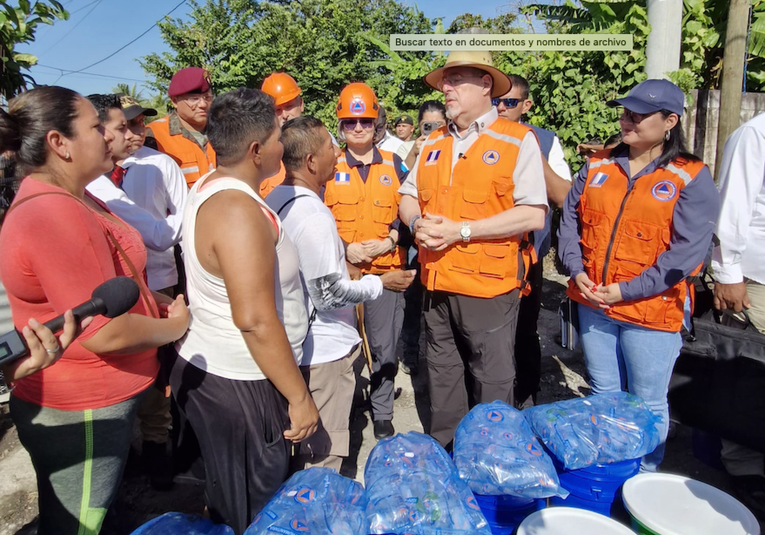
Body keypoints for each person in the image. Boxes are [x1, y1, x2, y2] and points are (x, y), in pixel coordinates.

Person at [0, 86, 189, 535]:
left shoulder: (76, 195)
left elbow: (107, 282)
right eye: (94, 127)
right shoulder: (54, 212)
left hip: (95, 400)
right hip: (83, 406)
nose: (108, 137)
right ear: (58, 143)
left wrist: (155, 301)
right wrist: (175, 326)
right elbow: (104, 332)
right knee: (77, 523)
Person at [172, 88, 319, 534]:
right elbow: (254, 319)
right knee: (255, 509)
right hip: (240, 382)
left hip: (218, 369)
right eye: (278, 137)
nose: (283, 145)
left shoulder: (211, 185)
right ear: (257, 151)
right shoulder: (238, 210)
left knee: (227, 498)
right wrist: (299, 397)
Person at [557, 79, 720, 471]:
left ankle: (645, 474)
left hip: (651, 310)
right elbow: (570, 220)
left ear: (669, 122)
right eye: (625, 112)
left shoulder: (690, 175)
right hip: (594, 301)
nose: (626, 120)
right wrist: (575, 269)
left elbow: (687, 252)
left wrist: (628, 290)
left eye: (638, 115)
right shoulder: (598, 163)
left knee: (646, 401)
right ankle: (610, 470)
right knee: (604, 392)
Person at [398, 51, 548, 449]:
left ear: (485, 85)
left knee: (491, 381)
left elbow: (533, 214)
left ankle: (493, 461)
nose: (445, 88)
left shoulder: (518, 140)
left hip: (487, 288)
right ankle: (449, 459)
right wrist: (416, 223)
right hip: (436, 284)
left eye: (456, 80)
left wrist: (461, 231)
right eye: (444, 81)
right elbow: (408, 196)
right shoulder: (434, 141)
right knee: (442, 375)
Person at [267, 116, 414, 469]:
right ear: (311, 162)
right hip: (323, 351)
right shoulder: (313, 212)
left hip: (293, 342)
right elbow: (329, 296)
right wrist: (382, 283)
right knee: (322, 457)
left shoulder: (276, 197)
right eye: (330, 147)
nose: (338, 153)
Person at [326, 82, 413, 439]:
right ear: (341, 125)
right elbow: (314, 218)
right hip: (341, 276)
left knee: (383, 345)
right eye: (350, 122)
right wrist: (345, 247)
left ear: (376, 121)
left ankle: (382, 410)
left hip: (386, 275)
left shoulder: (396, 165)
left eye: (364, 121)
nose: (358, 128)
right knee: (340, 346)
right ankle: (343, 406)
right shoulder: (327, 166)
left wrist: (392, 238)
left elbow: (414, 216)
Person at [494, 74, 573, 407]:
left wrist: (529, 149)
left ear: (526, 105)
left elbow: (564, 196)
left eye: (509, 102)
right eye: (496, 100)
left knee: (525, 330)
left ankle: (526, 400)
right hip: (482, 256)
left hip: (527, 257)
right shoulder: (471, 137)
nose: (500, 107)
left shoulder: (544, 140)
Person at [712, 112, 765, 517]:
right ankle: (745, 465)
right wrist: (727, 273)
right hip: (758, 277)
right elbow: (732, 207)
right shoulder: (755, 133)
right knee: (750, 370)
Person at [400, 101, 448, 376]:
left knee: (439, 302)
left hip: (443, 236)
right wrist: (415, 155)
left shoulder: (452, 148)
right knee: (413, 297)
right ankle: (410, 351)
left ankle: (438, 355)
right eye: (426, 125)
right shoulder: (411, 150)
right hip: (415, 237)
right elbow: (401, 185)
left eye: (437, 125)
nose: (431, 130)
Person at [259, 72, 340, 198]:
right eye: (277, 110)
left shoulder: (323, 140)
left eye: (289, 106)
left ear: (301, 104)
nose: (285, 115)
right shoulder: (258, 150)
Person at [148, 67, 216, 187]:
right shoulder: (154, 135)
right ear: (174, 101)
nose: (203, 104)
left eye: (207, 97)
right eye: (194, 99)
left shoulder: (224, 129)